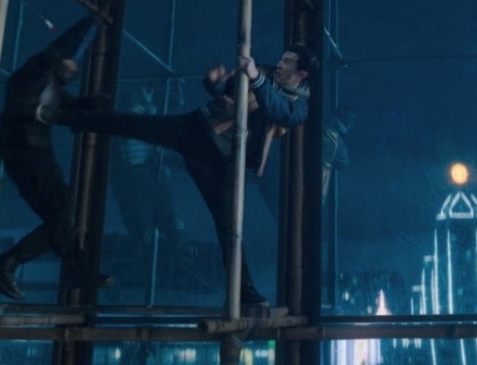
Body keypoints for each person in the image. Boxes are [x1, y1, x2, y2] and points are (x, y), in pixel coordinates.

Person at [46, 43, 318, 306]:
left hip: (221, 159)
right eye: (281, 59)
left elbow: (278, 111)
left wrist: (256, 78)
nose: (280, 64)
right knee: (133, 125)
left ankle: (243, 290)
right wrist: (216, 83)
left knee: (229, 226)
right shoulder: (264, 72)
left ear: (302, 74)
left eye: (287, 62)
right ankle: (63, 117)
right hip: (197, 129)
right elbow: (226, 89)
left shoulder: (298, 105)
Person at [0, 16, 113, 301]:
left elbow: (70, 104)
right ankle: (13, 264)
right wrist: (90, 23)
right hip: (25, 151)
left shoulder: (50, 86)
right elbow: (61, 47)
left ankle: (25, 266)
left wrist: (91, 103)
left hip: (32, 152)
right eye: (71, 63)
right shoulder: (34, 74)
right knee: (61, 212)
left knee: (60, 216)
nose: (75, 67)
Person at [109, 86, 185, 249]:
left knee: (169, 221)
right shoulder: (126, 122)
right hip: (135, 178)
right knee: (145, 222)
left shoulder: (148, 118)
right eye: (140, 102)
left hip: (150, 176)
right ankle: (147, 248)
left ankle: (175, 249)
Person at [255, 105, 354, 222]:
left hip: (277, 178)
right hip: (306, 189)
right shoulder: (333, 136)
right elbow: (343, 161)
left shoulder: (310, 122)